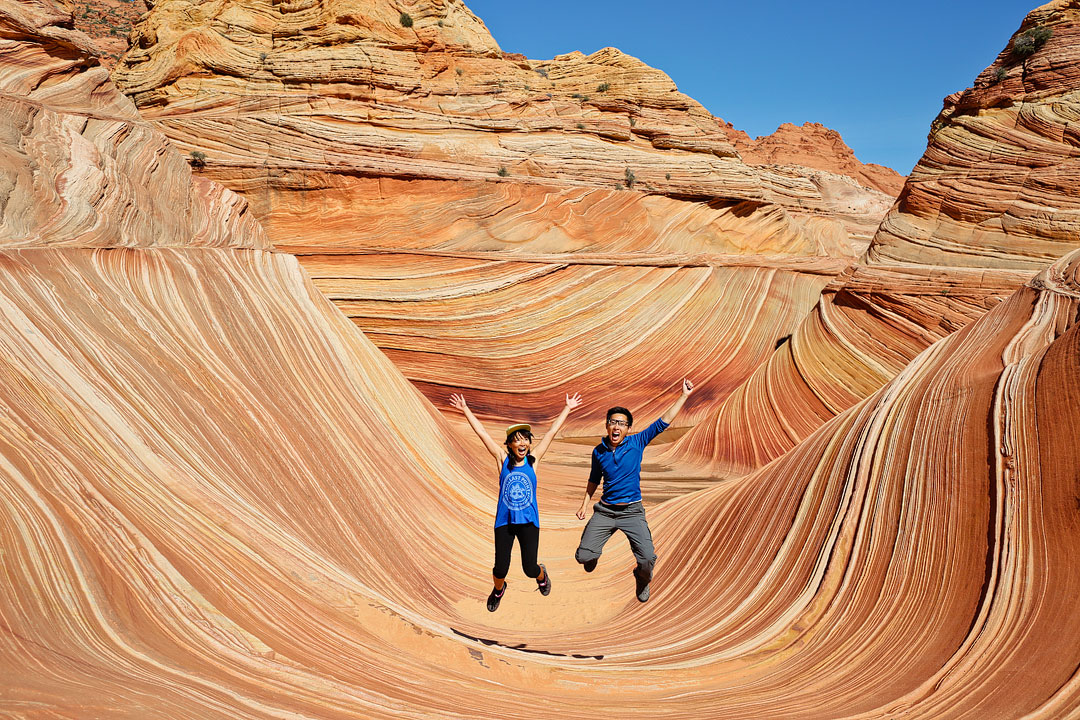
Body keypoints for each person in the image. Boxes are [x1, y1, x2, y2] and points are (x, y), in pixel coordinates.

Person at [450, 392, 583, 611]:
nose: (521, 443)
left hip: (529, 522)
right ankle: (498, 590)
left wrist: (567, 408)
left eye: (524, 439)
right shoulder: (502, 460)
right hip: (505, 522)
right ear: (510, 445)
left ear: (529, 444)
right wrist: (465, 410)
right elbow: (482, 433)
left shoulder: (534, 460)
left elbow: (551, 432)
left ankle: (542, 575)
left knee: (529, 568)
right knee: (500, 569)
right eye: (516, 440)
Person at [574, 379, 694, 603]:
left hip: (632, 512)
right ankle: (592, 555)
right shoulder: (598, 451)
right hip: (605, 512)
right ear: (607, 425)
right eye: (613, 422)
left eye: (622, 423)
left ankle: (641, 578)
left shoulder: (637, 442)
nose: (617, 427)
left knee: (648, 558)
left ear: (628, 428)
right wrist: (584, 504)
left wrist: (684, 396)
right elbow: (593, 479)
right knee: (582, 556)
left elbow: (663, 422)